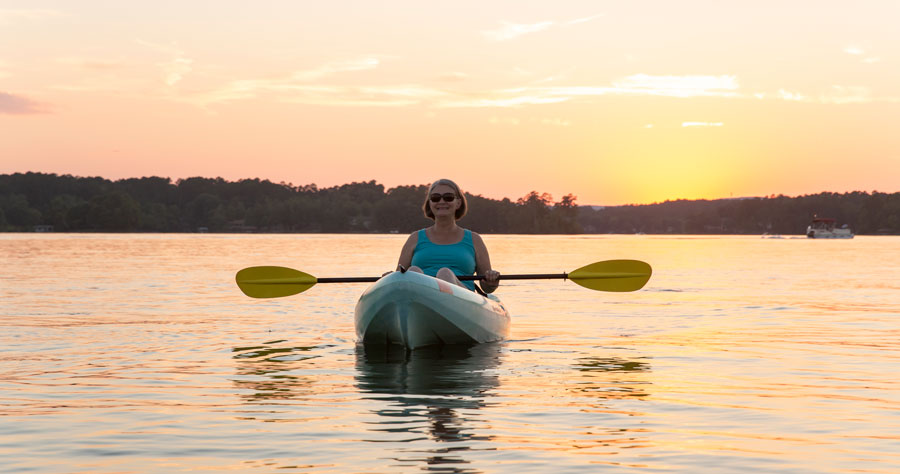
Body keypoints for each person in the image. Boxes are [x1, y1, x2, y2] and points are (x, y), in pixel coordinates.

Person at [392, 179, 500, 294]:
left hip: (462, 299)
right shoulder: (415, 238)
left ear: (458, 203)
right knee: (413, 271)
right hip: (421, 296)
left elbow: (487, 288)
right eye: (435, 198)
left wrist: (491, 281)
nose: (441, 201)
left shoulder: (474, 239)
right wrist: (389, 278)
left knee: (445, 274)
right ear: (430, 203)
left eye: (448, 197)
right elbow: (399, 279)